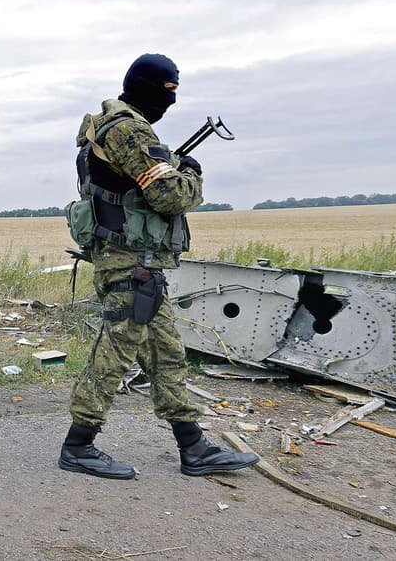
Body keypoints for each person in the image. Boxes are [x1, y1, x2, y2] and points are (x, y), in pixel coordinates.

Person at [59, 54, 258, 479]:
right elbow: (170, 196)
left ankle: (193, 446)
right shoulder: (127, 128)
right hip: (130, 264)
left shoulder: (111, 126)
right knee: (115, 352)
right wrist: (191, 174)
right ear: (144, 86)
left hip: (141, 264)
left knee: (165, 354)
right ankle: (78, 445)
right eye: (166, 90)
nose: (171, 100)